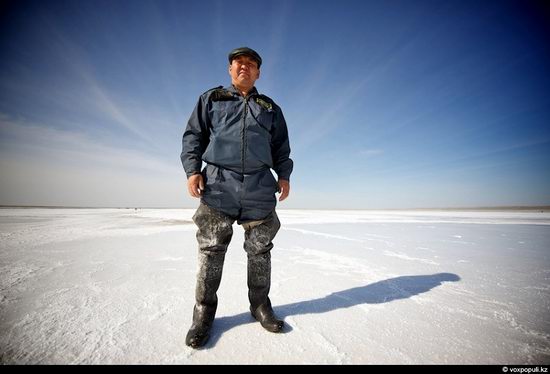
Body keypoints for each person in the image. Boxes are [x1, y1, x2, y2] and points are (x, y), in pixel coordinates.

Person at [180, 47, 293, 348]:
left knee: (260, 249)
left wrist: (284, 175)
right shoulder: (212, 100)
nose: (245, 67)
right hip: (219, 182)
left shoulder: (270, 108)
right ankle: (203, 312)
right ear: (230, 70)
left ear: (258, 73)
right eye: (239, 63)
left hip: (258, 185)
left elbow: (281, 146)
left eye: (251, 64)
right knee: (211, 248)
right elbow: (194, 136)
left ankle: (259, 305)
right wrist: (193, 171)